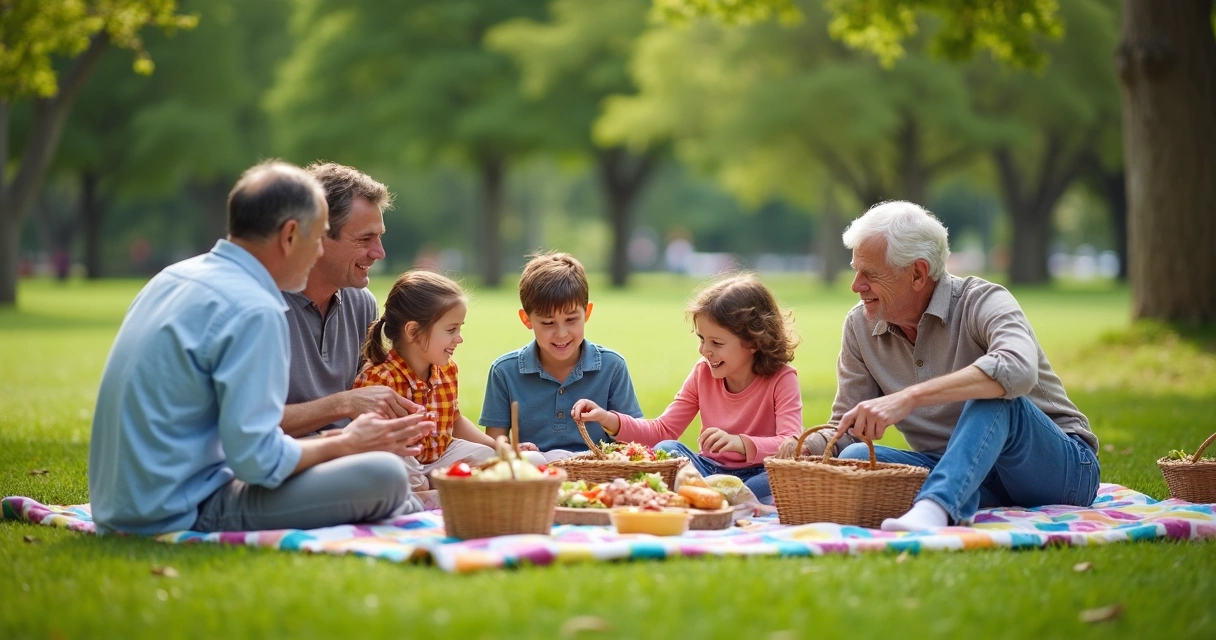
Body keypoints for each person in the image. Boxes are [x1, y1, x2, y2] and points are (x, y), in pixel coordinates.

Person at [88, 161, 433, 535]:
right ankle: (419, 508)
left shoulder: (173, 278)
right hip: (182, 507)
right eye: (317, 237)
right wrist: (346, 443)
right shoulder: (255, 307)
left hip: (121, 504)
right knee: (383, 475)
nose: (317, 251)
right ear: (289, 235)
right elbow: (259, 462)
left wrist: (338, 440)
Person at [818, 200, 1099, 531]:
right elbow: (846, 428)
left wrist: (909, 397)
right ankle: (948, 499)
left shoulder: (983, 300)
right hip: (963, 472)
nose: (856, 285)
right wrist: (798, 448)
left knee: (996, 393)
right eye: (856, 270)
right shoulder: (859, 326)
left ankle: (936, 508)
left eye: (870, 274)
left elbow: (1018, 370)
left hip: (1061, 470)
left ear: (918, 273)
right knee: (854, 460)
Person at [571, 273, 803, 502]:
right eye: (702, 339)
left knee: (779, 479)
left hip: (760, 472)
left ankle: (715, 495)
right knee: (667, 448)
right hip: (709, 469)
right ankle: (720, 496)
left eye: (716, 343)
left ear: (753, 342)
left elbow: (791, 444)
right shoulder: (703, 373)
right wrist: (607, 418)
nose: (704, 350)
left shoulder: (782, 378)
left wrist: (741, 443)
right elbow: (663, 431)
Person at [280, 162, 418, 437]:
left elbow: (368, 396)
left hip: (349, 450)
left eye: (379, 237)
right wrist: (343, 404)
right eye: (365, 239)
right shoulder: (263, 306)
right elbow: (249, 424)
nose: (379, 253)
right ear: (317, 236)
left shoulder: (361, 304)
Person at [479, 252, 643, 462]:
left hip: (597, 470)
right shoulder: (504, 372)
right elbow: (495, 445)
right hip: (536, 470)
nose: (561, 333)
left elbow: (634, 441)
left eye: (571, 319)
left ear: (587, 313)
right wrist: (512, 449)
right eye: (548, 323)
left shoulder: (613, 366)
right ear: (526, 319)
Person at [352, 270, 498, 487]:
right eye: (451, 329)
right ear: (412, 331)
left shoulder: (447, 370)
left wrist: (497, 446)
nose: (459, 338)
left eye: (459, 328)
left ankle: (431, 487)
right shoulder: (380, 378)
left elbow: (455, 420)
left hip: (440, 457)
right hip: (400, 459)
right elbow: (367, 444)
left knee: (487, 457)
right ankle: (429, 489)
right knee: (401, 471)